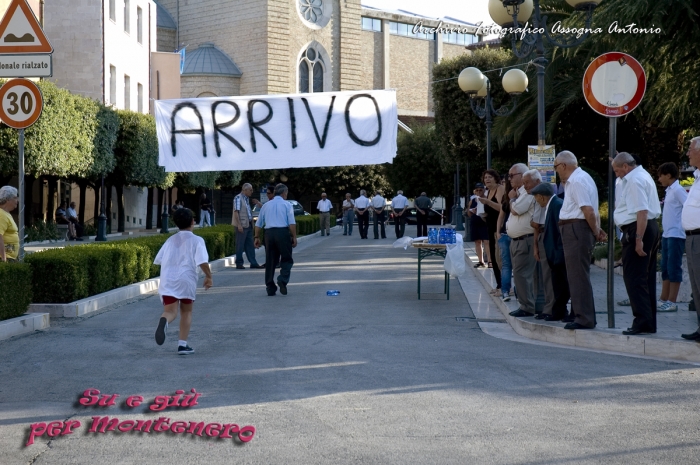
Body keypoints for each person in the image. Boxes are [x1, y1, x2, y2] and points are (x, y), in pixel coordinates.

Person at [555, 150, 607, 330]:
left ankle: (584, 318)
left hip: (576, 229)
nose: (556, 171)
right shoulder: (578, 179)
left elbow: (588, 211)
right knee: (576, 275)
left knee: (578, 276)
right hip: (575, 229)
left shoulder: (577, 181)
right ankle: (583, 315)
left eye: (556, 167)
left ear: (563, 165)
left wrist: (595, 231)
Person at [612, 152, 661, 335]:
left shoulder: (633, 180)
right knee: (644, 278)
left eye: (617, 170)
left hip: (639, 228)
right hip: (648, 227)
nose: (617, 175)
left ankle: (641, 320)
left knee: (634, 277)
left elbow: (641, 211)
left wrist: (638, 239)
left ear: (625, 167)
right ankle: (648, 321)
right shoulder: (643, 174)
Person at [153, 208, 213, 355]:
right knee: (186, 311)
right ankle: (182, 345)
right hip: (186, 279)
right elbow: (202, 261)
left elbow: (159, 259)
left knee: (170, 311)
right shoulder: (197, 240)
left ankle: (164, 321)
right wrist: (209, 276)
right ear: (193, 222)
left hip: (168, 279)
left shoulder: (170, 240)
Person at [531, 183, 570, 321]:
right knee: (557, 284)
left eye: (536, 197)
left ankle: (560, 311)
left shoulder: (557, 204)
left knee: (562, 284)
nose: (536, 200)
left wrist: (558, 253)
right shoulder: (551, 205)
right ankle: (558, 311)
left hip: (557, 252)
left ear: (541, 197)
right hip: (553, 252)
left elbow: (561, 231)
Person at [505, 163, 537, 318]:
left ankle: (527, 306)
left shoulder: (527, 193)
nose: (509, 178)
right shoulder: (519, 193)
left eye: (512, 175)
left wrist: (512, 199)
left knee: (521, 273)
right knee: (519, 273)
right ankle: (525, 304)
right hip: (516, 240)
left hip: (525, 240)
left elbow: (516, 209)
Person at [254, 184, 297, 296]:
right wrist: (294, 237)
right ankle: (282, 280)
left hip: (269, 234)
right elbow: (292, 223)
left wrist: (257, 237)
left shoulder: (266, 206)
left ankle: (270, 287)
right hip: (282, 233)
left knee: (270, 261)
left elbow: (258, 224)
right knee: (287, 259)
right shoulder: (287, 205)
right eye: (286, 193)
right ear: (283, 193)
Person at [656, 162, 688, 312]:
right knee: (665, 267)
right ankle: (663, 298)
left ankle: (672, 301)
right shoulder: (669, 190)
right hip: (667, 234)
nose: (659, 179)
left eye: (661, 175)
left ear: (668, 175)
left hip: (676, 234)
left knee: (674, 267)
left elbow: (687, 206)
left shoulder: (678, 190)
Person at [522, 170, 553, 319]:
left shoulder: (544, 201)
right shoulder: (535, 199)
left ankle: (550, 308)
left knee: (548, 277)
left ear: (537, 182)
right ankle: (545, 307)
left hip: (547, 241)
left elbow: (537, 224)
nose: (525, 186)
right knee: (541, 277)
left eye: (527, 182)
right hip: (540, 240)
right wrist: (535, 246)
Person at [680, 137, 700, 341]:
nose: (687, 153)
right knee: (696, 286)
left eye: (690, 149)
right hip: (692, 238)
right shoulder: (696, 176)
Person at [478, 170, 505, 295]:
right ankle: (499, 285)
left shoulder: (500, 189)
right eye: (485, 178)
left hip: (499, 228)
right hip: (490, 225)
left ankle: (504, 286)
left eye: (490, 177)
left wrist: (487, 202)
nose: (487, 179)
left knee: (499, 257)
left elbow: (502, 208)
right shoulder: (488, 192)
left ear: (496, 178)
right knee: (493, 257)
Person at [232, 183, 264, 270]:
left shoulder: (246, 199)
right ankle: (239, 263)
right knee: (240, 244)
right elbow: (236, 212)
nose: (252, 191)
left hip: (248, 224)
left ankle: (253, 263)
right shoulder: (238, 198)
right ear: (245, 190)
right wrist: (239, 225)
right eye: (250, 190)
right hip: (242, 225)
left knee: (250, 245)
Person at [495, 178, 513, 302]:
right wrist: (498, 232)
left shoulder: (515, 196)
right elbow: (501, 215)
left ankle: (509, 291)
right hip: (505, 234)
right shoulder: (507, 197)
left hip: (512, 233)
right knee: (507, 264)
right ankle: (505, 290)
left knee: (511, 265)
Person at [466, 183, 490, 267]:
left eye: (481, 190)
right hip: (475, 222)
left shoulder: (487, 199)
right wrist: (472, 211)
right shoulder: (472, 200)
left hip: (484, 222)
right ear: (475, 191)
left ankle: (490, 261)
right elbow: (468, 213)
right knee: (477, 242)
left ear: (484, 190)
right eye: (477, 190)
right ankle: (481, 261)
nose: (479, 191)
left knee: (486, 241)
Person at [0, 186, 19, 262]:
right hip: (6, 258)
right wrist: (3, 258)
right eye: (15, 198)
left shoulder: (6, 213)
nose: (17, 200)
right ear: (7, 199)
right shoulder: (1, 214)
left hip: (10, 258)